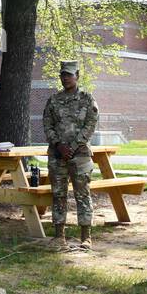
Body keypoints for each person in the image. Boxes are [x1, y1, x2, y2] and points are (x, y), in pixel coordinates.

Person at [42, 60, 99, 250]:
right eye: (63, 75)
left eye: (69, 74)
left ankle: (86, 237)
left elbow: (90, 125)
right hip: (58, 155)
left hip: (80, 155)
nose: (65, 78)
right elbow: (47, 125)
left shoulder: (86, 99)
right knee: (58, 195)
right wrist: (58, 145)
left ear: (77, 76)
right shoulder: (53, 100)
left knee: (82, 195)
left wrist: (72, 146)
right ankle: (59, 236)